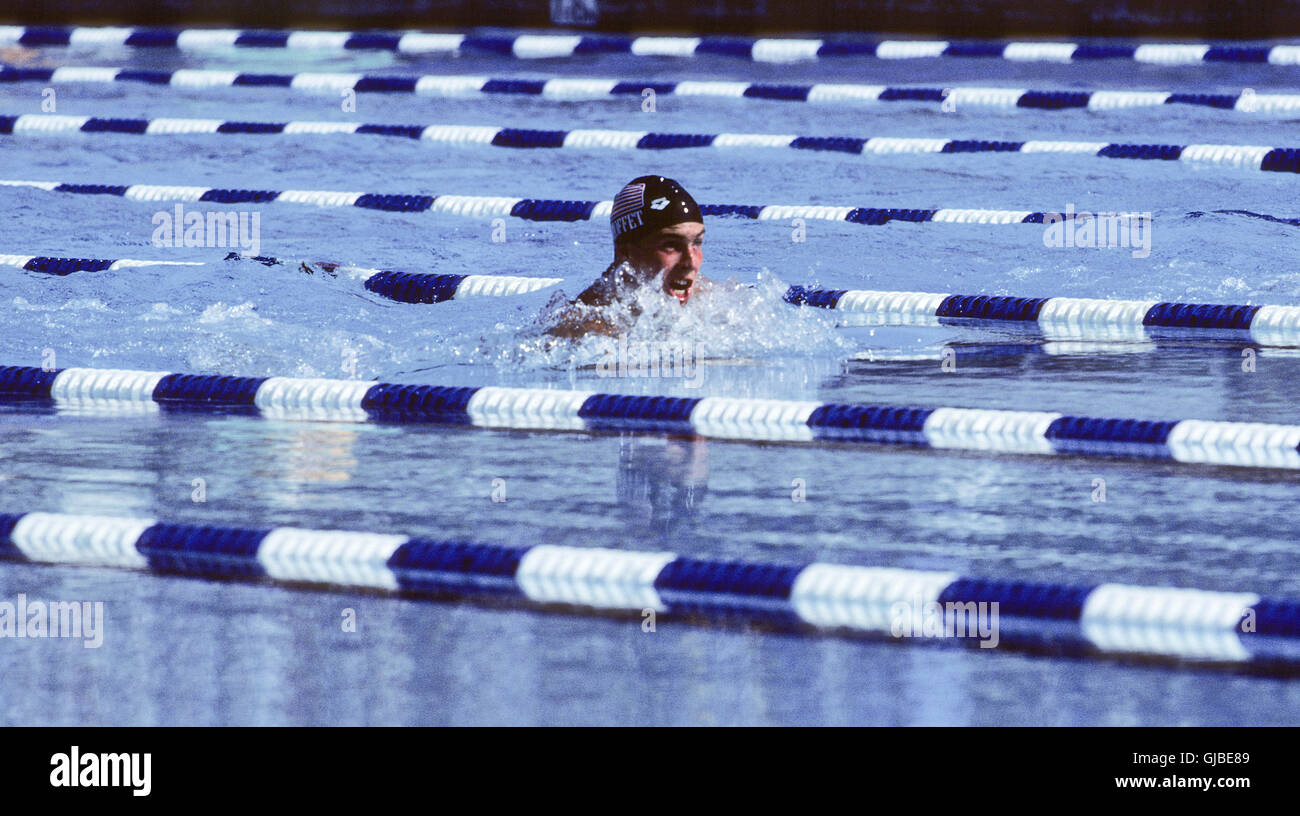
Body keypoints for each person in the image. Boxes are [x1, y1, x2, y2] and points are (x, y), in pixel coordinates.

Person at [544, 175, 710, 337]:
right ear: (625, 254)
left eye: (697, 242)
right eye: (671, 245)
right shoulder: (583, 328)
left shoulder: (706, 298)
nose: (691, 262)